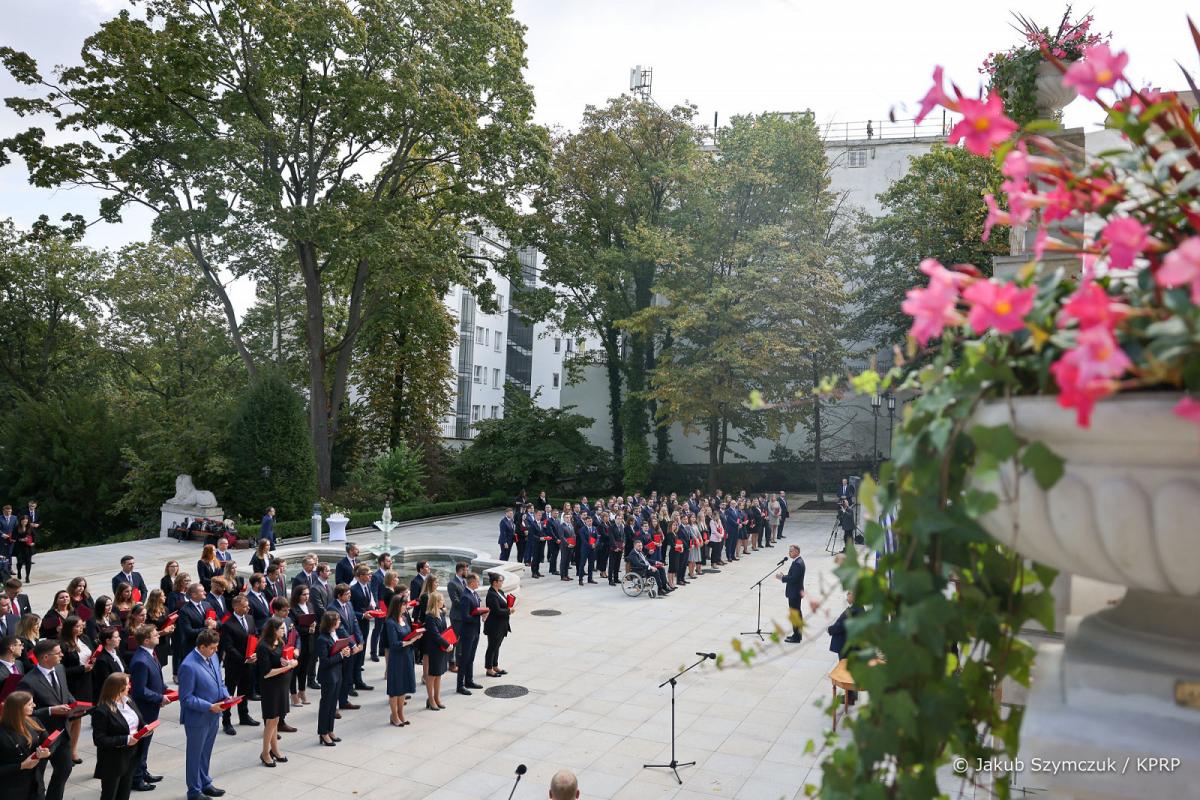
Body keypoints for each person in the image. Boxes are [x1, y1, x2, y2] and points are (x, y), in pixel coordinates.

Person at [17, 639, 75, 800]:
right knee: (37, 776)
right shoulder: (28, 682)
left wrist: (73, 704)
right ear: (45, 657)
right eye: (58, 653)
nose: (62, 655)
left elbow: (65, 692)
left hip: (63, 732)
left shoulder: (60, 668)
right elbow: (25, 712)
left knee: (65, 769)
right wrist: (50, 710)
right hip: (42, 737)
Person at [178, 629, 226, 800]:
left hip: (213, 715)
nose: (215, 651)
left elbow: (219, 680)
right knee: (195, 755)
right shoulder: (188, 666)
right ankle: (194, 791)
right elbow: (186, 699)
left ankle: (205, 782)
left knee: (206, 753)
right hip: (198, 718)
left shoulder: (212, 656)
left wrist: (225, 695)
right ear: (201, 646)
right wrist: (209, 706)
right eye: (212, 648)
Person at [91, 672, 143, 800]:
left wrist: (146, 728)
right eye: (127, 684)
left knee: (124, 793)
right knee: (110, 794)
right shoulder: (102, 711)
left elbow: (138, 721)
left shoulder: (129, 700)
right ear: (118, 688)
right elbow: (99, 739)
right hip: (113, 760)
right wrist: (126, 739)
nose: (129, 686)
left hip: (131, 754)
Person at [127, 625, 165, 791]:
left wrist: (164, 690)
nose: (159, 636)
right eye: (155, 634)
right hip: (144, 709)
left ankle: (143, 771)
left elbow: (155, 677)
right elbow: (139, 690)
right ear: (147, 640)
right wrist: (160, 697)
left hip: (151, 707)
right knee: (141, 744)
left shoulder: (150, 654)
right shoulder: (141, 660)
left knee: (146, 742)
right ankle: (136, 778)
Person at [255, 618, 295, 768]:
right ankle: (265, 752)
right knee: (270, 721)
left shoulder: (280, 642)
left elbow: (282, 660)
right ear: (273, 630)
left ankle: (275, 750)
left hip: (281, 685)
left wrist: (290, 663)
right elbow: (266, 673)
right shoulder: (263, 646)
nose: (284, 632)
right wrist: (286, 668)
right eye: (282, 629)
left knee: (276, 720)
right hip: (270, 686)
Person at [218, 594, 258, 734]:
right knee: (230, 693)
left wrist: (254, 654)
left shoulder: (250, 618)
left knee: (244, 691)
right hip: (234, 665)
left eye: (248, 605)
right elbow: (228, 647)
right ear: (236, 607)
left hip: (249, 663)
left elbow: (255, 637)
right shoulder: (228, 624)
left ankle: (244, 716)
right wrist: (243, 659)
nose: (248, 608)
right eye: (245, 606)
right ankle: (226, 721)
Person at [0, 691, 50, 800]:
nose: (34, 705)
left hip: (36, 785)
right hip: (11, 791)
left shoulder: (35, 721)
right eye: (30, 704)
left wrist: (46, 752)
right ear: (18, 709)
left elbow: (48, 743)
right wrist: (21, 766)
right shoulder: (2, 733)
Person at [57, 615, 93, 764]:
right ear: (70, 628)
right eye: (78, 626)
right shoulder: (63, 645)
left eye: (81, 625)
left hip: (85, 682)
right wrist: (81, 668)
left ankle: (73, 750)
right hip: (71, 684)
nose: (81, 628)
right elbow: (61, 669)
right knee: (69, 720)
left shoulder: (84, 639)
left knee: (78, 718)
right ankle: (63, 753)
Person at [381, 594, 417, 727]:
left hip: (407, 656)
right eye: (403, 604)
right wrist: (410, 641)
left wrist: (415, 635)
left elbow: (407, 634)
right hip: (397, 658)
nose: (406, 607)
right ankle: (394, 715)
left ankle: (401, 713)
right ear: (397, 606)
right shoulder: (390, 622)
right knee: (395, 688)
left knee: (404, 687)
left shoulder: (404, 618)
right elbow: (394, 644)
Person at [828, 591, 865, 705]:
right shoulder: (859, 608)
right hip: (851, 644)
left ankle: (850, 697)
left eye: (849, 593)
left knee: (846, 671)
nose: (847, 595)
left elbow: (841, 626)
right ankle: (851, 694)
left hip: (847, 646)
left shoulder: (854, 611)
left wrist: (830, 629)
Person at [348, 565, 377, 692]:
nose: (370, 575)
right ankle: (350, 684)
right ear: (360, 576)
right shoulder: (353, 589)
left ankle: (358, 681)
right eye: (368, 574)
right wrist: (362, 615)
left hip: (365, 624)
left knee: (362, 652)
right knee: (354, 654)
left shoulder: (368, 587)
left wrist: (373, 611)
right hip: (356, 624)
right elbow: (350, 609)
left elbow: (368, 604)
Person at [455, 573, 485, 696]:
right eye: (477, 581)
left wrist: (483, 612)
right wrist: (478, 614)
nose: (479, 583)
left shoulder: (474, 593)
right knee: (464, 658)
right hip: (468, 632)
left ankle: (469, 680)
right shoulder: (466, 596)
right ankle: (460, 685)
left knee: (471, 657)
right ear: (472, 582)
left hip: (475, 630)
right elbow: (465, 616)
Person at [420, 593, 451, 711]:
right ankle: (431, 699)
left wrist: (450, 641)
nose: (443, 601)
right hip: (434, 649)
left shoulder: (441, 613)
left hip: (441, 648)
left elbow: (444, 630)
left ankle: (437, 698)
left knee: (439, 674)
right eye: (441, 600)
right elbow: (435, 635)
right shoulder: (429, 617)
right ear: (436, 602)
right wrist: (447, 644)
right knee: (432, 675)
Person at [287, 585, 317, 706]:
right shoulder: (293, 609)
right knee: (296, 670)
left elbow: (314, 619)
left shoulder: (310, 606)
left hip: (309, 641)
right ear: (297, 595)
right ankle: (293, 694)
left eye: (307, 594)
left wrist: (314, 625)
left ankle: (302, 691)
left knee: (304, 669)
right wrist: (307, 629)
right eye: (304, 594)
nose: (306, 596)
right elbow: (293, 628)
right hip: (298, 643)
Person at [482, 573, 511, 678]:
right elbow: (497, 610)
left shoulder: (500, 592)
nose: (502, 582)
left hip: (502, 624)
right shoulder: (491, 594)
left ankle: (495, 665)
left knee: (497, 646)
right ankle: (489, 669)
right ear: (495, 582)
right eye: (500, 580)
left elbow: (504, 604)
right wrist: (509, 611)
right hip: (494, 625)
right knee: (492, 646)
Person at [777, 544, 807, 643]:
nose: (789, 553)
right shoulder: (797, 561)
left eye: (791, 551)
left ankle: (797, 637)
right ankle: (796, 634)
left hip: (795, 593)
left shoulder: (798, 563)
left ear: (797, 552)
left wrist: (782, 578)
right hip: (794, 592)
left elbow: (793, 579)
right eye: (789, 551)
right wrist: (785, 576)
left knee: (795, 614)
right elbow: (793, 576)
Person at [91, 628, 126, 700]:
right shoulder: (102, 660)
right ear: (108, 641)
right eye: (116, 637)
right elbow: (107, 682)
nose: (120, 639)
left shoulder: (116, 651)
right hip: (112, 695)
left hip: (122, 690)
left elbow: (124, 669)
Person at [12, 517, 34, 583]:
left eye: (26, 521)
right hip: (19, 547)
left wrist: (33, 543)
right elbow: (14, 537)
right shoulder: (16, 528)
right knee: (20, 562)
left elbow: (34, 536)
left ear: (27, 521)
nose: (25, 522)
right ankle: (19, 572)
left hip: (28, 548)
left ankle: (27, 576)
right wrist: (20, 539)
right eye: (23, 521)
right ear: (21, 521)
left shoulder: (30, 528)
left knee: (28, 563)